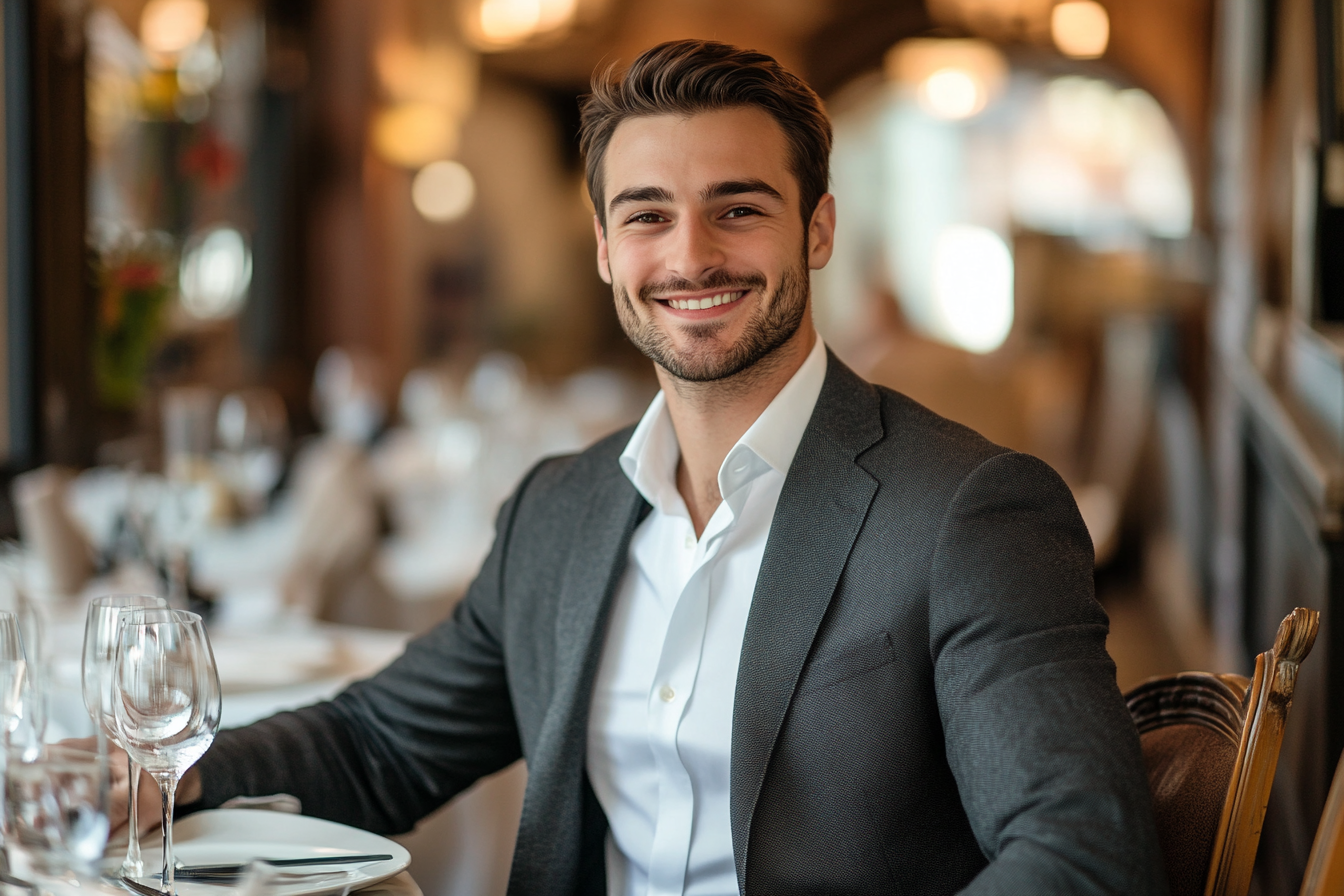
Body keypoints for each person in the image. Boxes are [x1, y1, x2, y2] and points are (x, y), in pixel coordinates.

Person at [108, 40, 1166, 896]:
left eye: (739, 208)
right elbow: (377, 742)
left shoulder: (968, 510)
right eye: (647, 213)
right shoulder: (558, 511)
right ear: (609, 250)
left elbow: (1084, 852)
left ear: (819, 230)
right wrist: (164, 774)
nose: (691, 254)